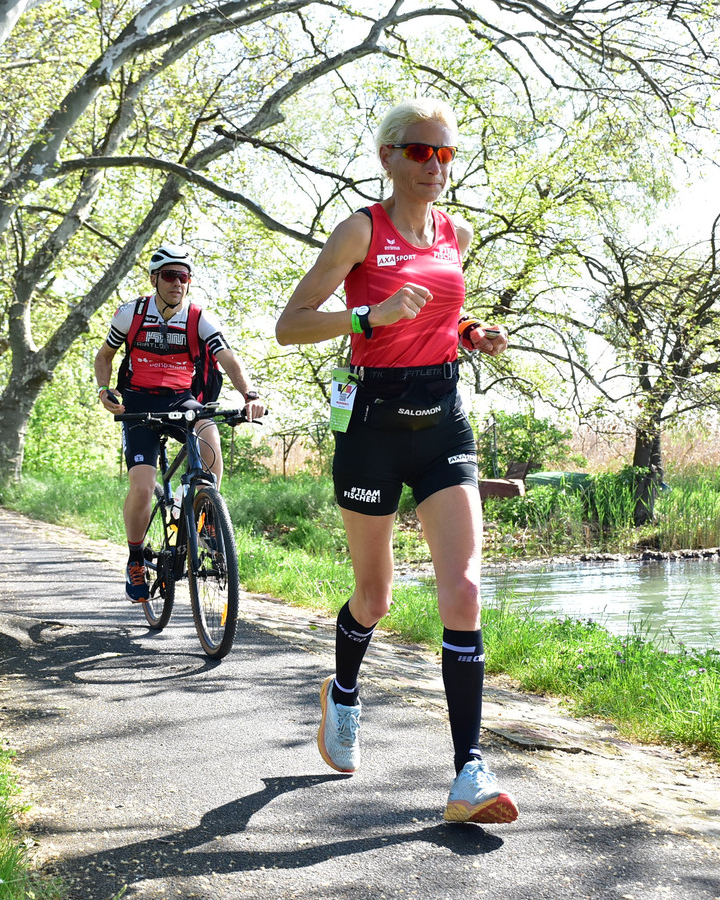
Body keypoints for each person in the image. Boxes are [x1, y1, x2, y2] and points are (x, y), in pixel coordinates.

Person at [274, 98, 517, 824]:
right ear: (387, 157)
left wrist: (473, 332)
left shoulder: (457, 233)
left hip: (443, 416)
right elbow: (289, 327)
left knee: (464, 592)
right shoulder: (360, 231)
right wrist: (364, 317)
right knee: (374, 595)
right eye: (419, 152)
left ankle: (468, 774)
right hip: (373, 422)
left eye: (445, 155)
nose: (434, 167)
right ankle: (343, 694)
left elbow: (442, 314)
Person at [95, 244, 266, 603]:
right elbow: (105, 356)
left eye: (184, 277)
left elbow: (229, 359)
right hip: (139, 403)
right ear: (155, 278)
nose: (178, 283)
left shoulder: (198, 318)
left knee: (209, 437)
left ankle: (206, 517)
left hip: (180, 398)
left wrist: (250, 394)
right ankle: (135, 558)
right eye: (171, 275)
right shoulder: (131, 314)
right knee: (142, 486)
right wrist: (104, 390)